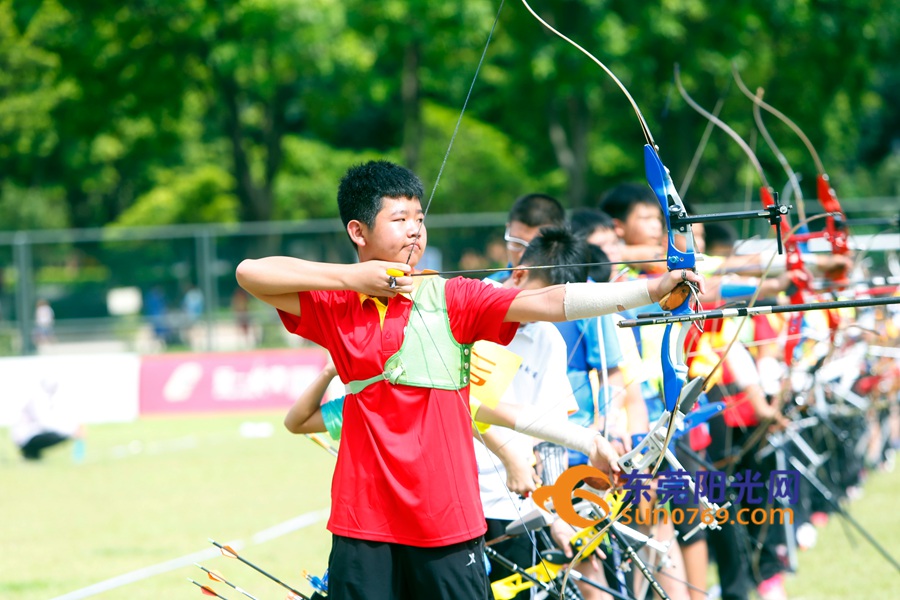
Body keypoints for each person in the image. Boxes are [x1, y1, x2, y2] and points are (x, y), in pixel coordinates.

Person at [235, 160, 704, 600]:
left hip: (448, 517)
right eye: (399, 219)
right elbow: (250, 273)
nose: (415, 230)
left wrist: (650, 288)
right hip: (364, 520)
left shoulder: (453, 297)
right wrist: (353, 278)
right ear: (358, 231)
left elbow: (547, 301)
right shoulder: (337, 306)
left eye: (419, 218)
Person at [12, 376, 82, 461]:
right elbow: (44, 423)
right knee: (60, 435)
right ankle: (30, 452)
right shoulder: (38, 398)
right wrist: (70, 432)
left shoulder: (44, 398)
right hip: (26, 437)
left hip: (28, 434)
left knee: (60, 434)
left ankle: (33, 454)